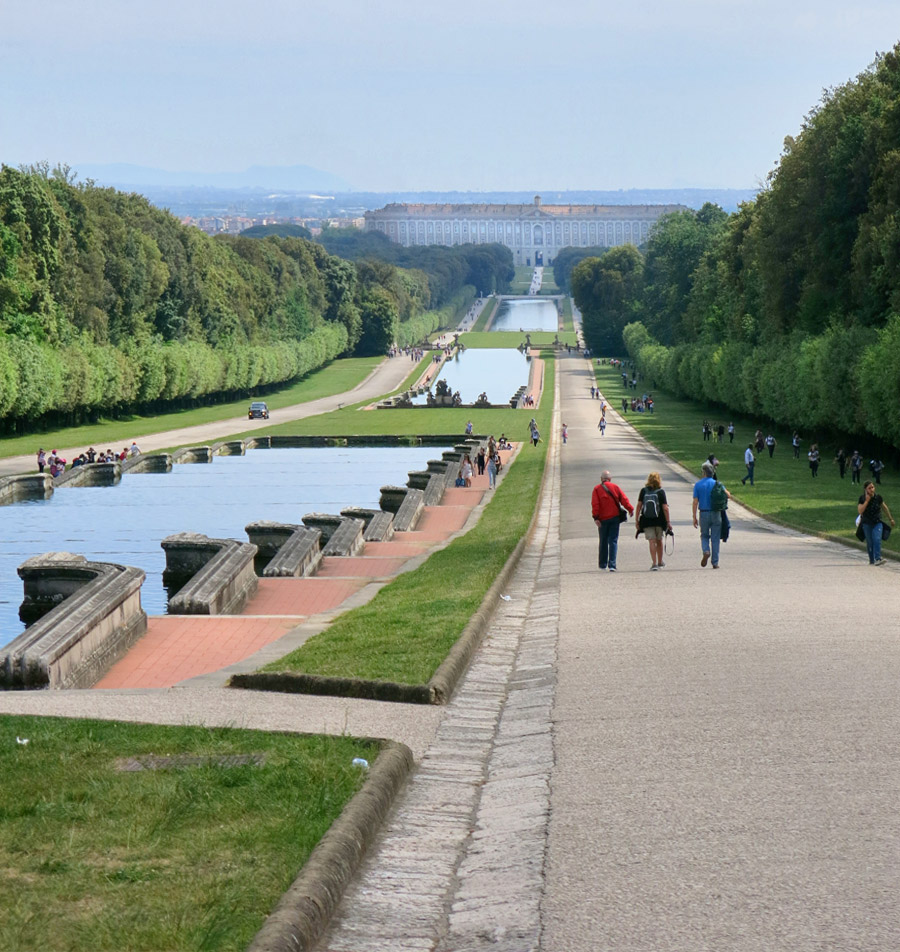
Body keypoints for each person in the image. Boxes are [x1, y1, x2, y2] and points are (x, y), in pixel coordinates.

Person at [692, 460, 732, 569]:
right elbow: (728, 495)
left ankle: (706, 551)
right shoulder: (717, 484)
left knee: (704, 535)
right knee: (715, 538)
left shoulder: (698, 485)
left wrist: (694, 517)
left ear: (704, 473)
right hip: (716, 513)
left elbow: (695, 502)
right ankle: (715, 562)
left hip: (704, 513)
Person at [591, 470, 633, 573]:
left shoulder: (597, 489)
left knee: (603, 541)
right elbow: (624, 499)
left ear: (601, 479)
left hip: (602, 519)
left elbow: (595, 504)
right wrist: (630, 509)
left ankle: (602, 564)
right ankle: (612, 565)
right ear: (610, 479)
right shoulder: (615, 487)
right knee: (613, 541)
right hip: (614, 518)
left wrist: (595, 517)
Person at [636, 471, 672, 570]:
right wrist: (668, 522)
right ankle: (660, 562)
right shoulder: (661, 492)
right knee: (659, 540)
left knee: (652, 541)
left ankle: (654, 563)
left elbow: (639, 505)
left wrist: (636, 520)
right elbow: (665, 508)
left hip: (647, 520)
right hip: (659, 520)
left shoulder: (643, 491)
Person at [858, 480, 895, 565]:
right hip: (866, 523)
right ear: (865, 489)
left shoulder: (878, 497)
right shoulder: (862, 498)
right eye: (869, 488)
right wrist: (867, 501)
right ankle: (871, 560)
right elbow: (860, 511)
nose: (871, 489)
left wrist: (891, 519)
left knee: (877, 539)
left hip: (877, 522)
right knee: (870, 542)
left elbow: (884, 508)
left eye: (872, 487)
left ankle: (878, 558)